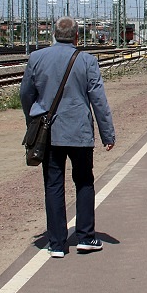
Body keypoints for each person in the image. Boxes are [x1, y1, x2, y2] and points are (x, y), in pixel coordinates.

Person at [20, 16, 116, 258]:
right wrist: (107, 134)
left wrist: (33, 121)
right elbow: (98, 100)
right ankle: (85, 237)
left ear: (54, 34)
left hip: (48, 132)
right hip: (79, 131)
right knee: (84, 181)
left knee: (53, 184)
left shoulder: (37, 58)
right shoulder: (86, 60)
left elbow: (25, 94)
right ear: (76, 36)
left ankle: (56, 243)